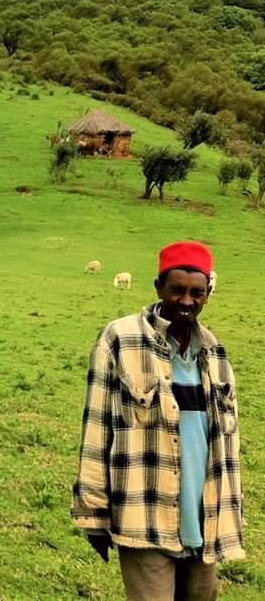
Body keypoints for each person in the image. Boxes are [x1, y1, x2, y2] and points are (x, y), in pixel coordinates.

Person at [72, 241, 244, 600]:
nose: (186, 300)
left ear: (207, 294)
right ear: (158, 287)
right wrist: (92, 514)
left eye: (197, 292)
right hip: (144, 515)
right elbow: (96, 430)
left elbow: (229, 448)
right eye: (177, 290)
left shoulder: (216, 355)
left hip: (204, 519)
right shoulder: (120, 339)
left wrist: (232, 513)